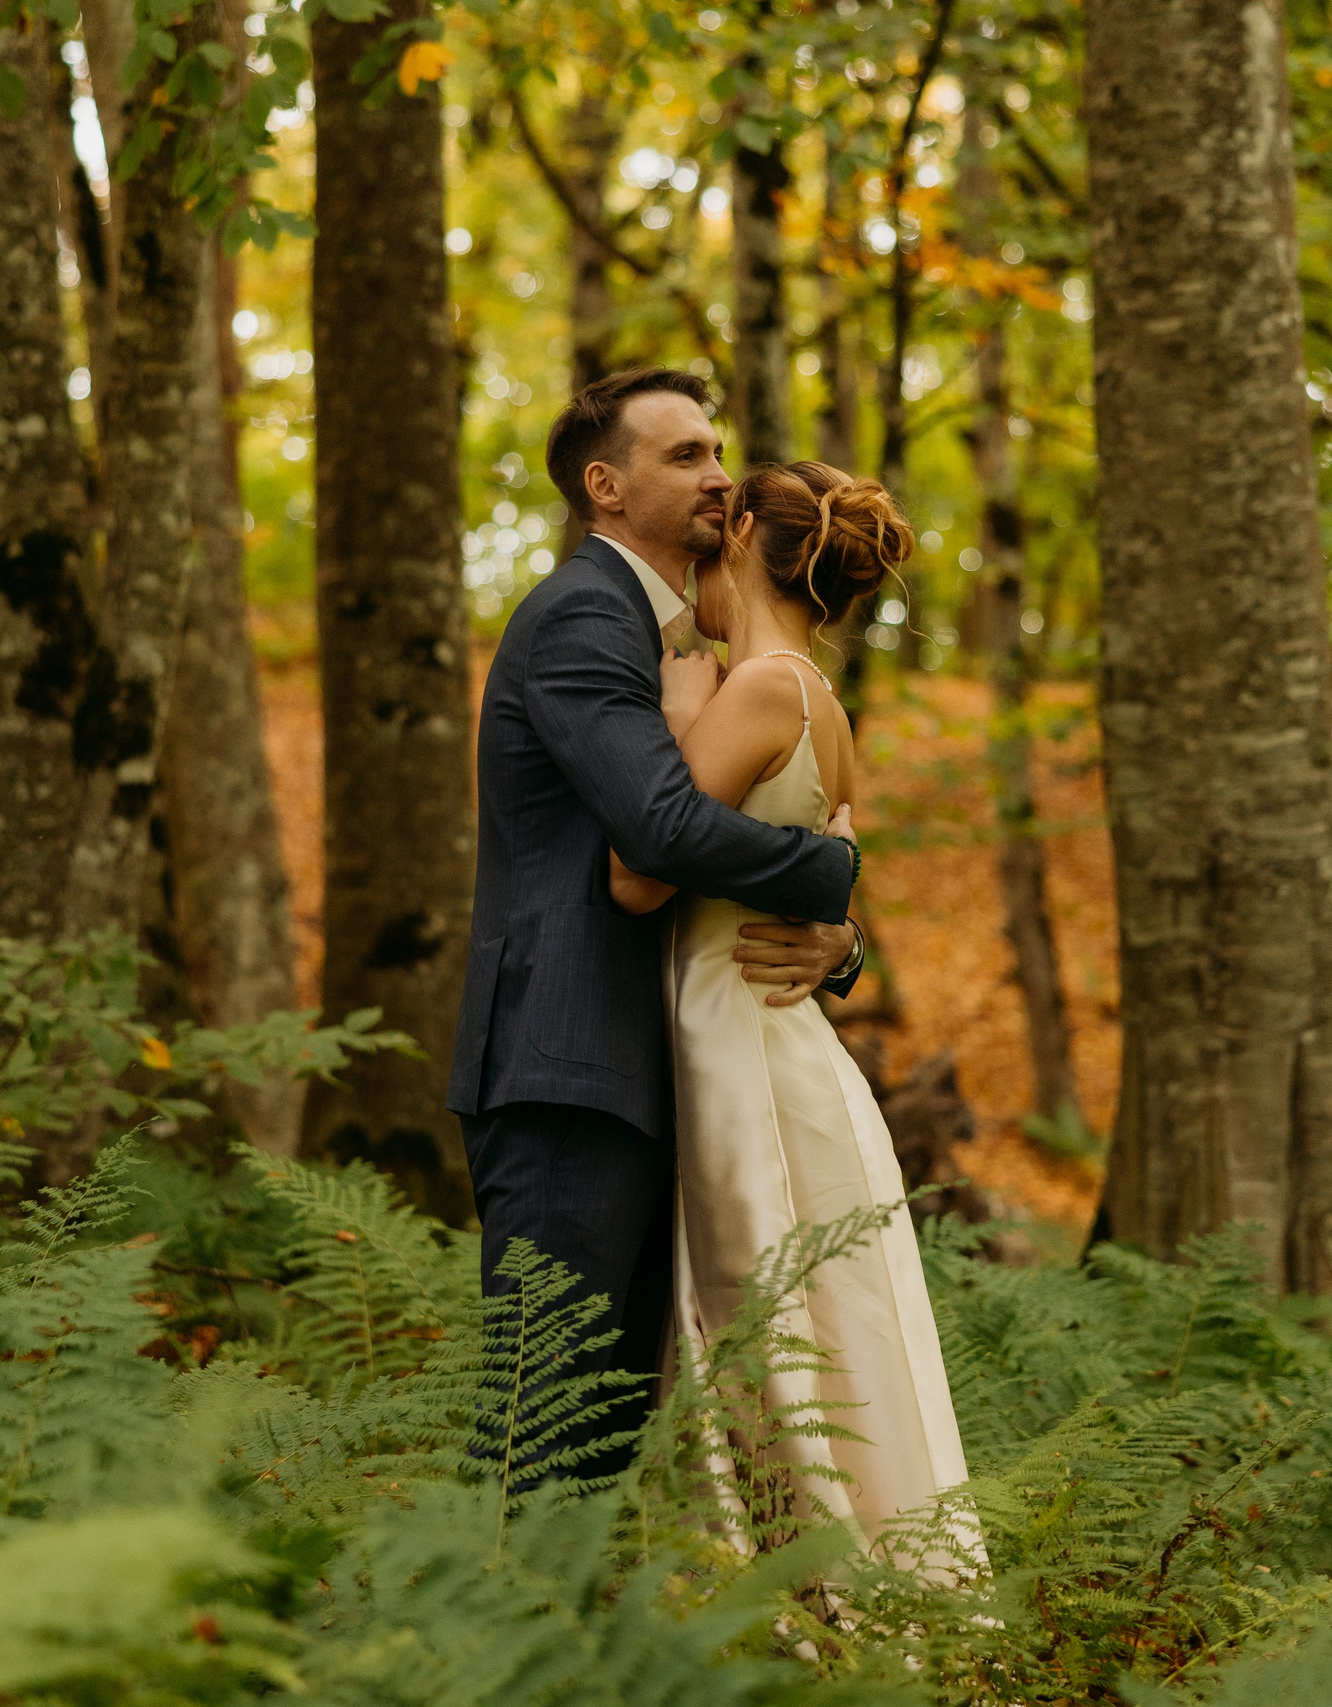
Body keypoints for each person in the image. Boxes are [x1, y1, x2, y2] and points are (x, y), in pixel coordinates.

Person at [448, 369, 865, 1482]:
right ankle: (485, 1597)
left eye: (717, 450)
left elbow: (723, 840)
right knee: (546, 1426)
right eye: (685, 455)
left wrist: (841, 940)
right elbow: (662, 832)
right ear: (606, 485)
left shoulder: (693, 651)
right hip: (567, 1068)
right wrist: (833, 874)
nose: (720, 476)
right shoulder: (586, 614)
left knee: (605, 1439)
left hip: (655, 1074)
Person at [609, 461, 970, 1559]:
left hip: (740, 1046)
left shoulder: (760, 689)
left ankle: (797, 1591)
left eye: (712, 536)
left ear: (741, 540)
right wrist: (840, 938)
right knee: (823, 1333)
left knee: (757, 1325)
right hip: (779, 1037)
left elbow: (640, 874)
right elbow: (825, 878)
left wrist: (678, 725)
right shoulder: (822, 700)